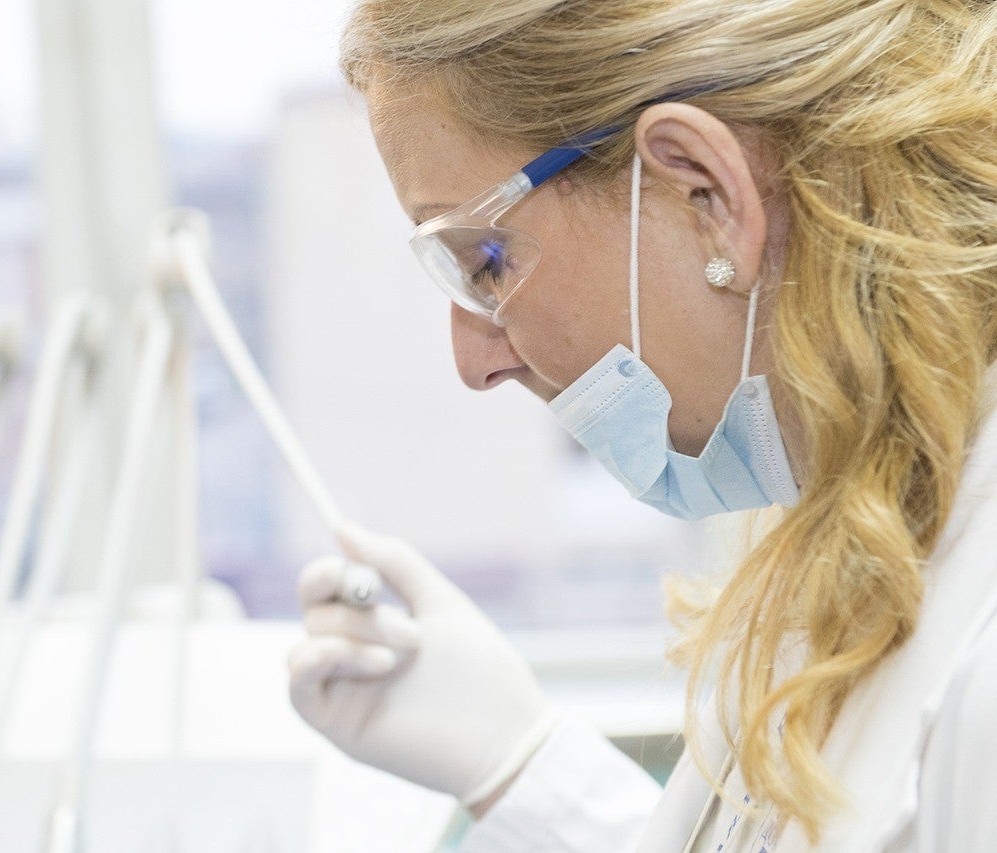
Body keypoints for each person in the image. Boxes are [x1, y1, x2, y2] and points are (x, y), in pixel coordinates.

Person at [285, 0, 997, 850]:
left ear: (704, 193)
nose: (473, 363)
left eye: (486, 261)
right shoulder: (868, 500)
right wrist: (523, 764)